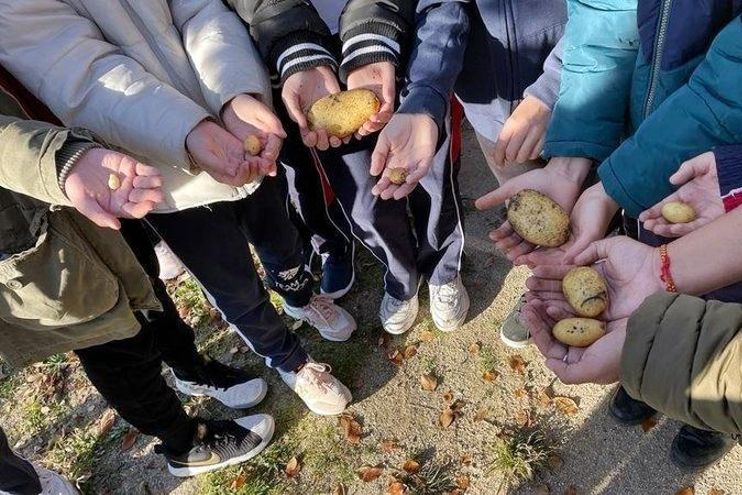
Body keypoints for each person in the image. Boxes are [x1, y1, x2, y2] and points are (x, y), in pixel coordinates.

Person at [478, 0, 742, 468]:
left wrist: (616, 183)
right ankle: (653, 370)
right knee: (645, 250)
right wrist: (573, 162)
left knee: (739, 291)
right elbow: (605, 11)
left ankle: (705, 412)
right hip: (657, 136)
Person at [0, 0, 354, 415]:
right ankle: (290, 361)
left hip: (238, 134)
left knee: (283, 242)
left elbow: (202, 8)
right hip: (165, 173)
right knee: (234, 287)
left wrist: (234, 92)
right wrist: (187, 131)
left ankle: (299, 297)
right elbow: (84, 76)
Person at [0, 68, 273, 478]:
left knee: (145, 281)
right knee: (107, 336)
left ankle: (189, 368)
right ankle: (184, 443)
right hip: (27, 217)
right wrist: (58, 158)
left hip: (86, 157)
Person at [227, 0, 472, 335]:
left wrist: (371, 40)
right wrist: (297, 48)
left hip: (408, 28)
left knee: (431, 177)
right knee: (365, 203)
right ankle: (401, 280)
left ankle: (443, 271)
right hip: (309, 54)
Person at [371, 0, 567, 348]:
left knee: (595, 210)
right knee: (533, 222)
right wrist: (425, 95)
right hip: (493, 119)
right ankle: (551, 285)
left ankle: (597, 292)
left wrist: (551, 90)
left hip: (584, 101)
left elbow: (611, 14)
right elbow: (443, 7)